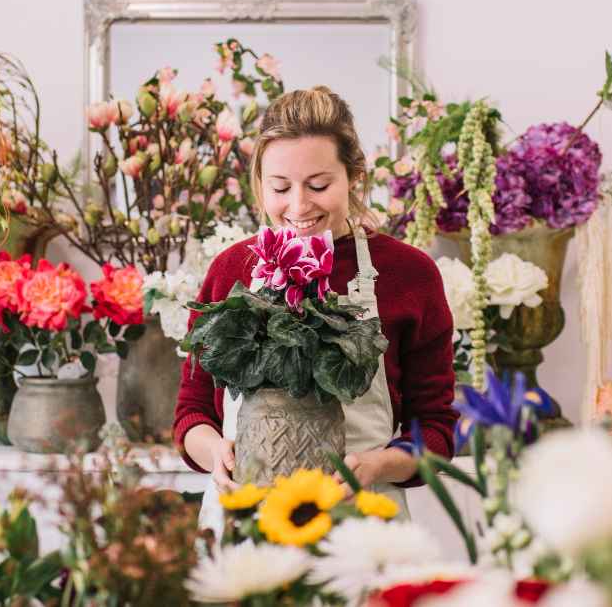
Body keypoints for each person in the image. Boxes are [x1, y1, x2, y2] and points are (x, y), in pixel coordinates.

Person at [173, 86, 457, 531]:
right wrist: (218, 456)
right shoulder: (231, 270)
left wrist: (378, 466)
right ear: (259, 182)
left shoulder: (409, 275)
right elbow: (192, 413)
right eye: (280, 187)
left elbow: (436, 430)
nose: (299, 206)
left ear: (355, 176)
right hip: (244, 519)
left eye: (319, 185)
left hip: (362, 522)